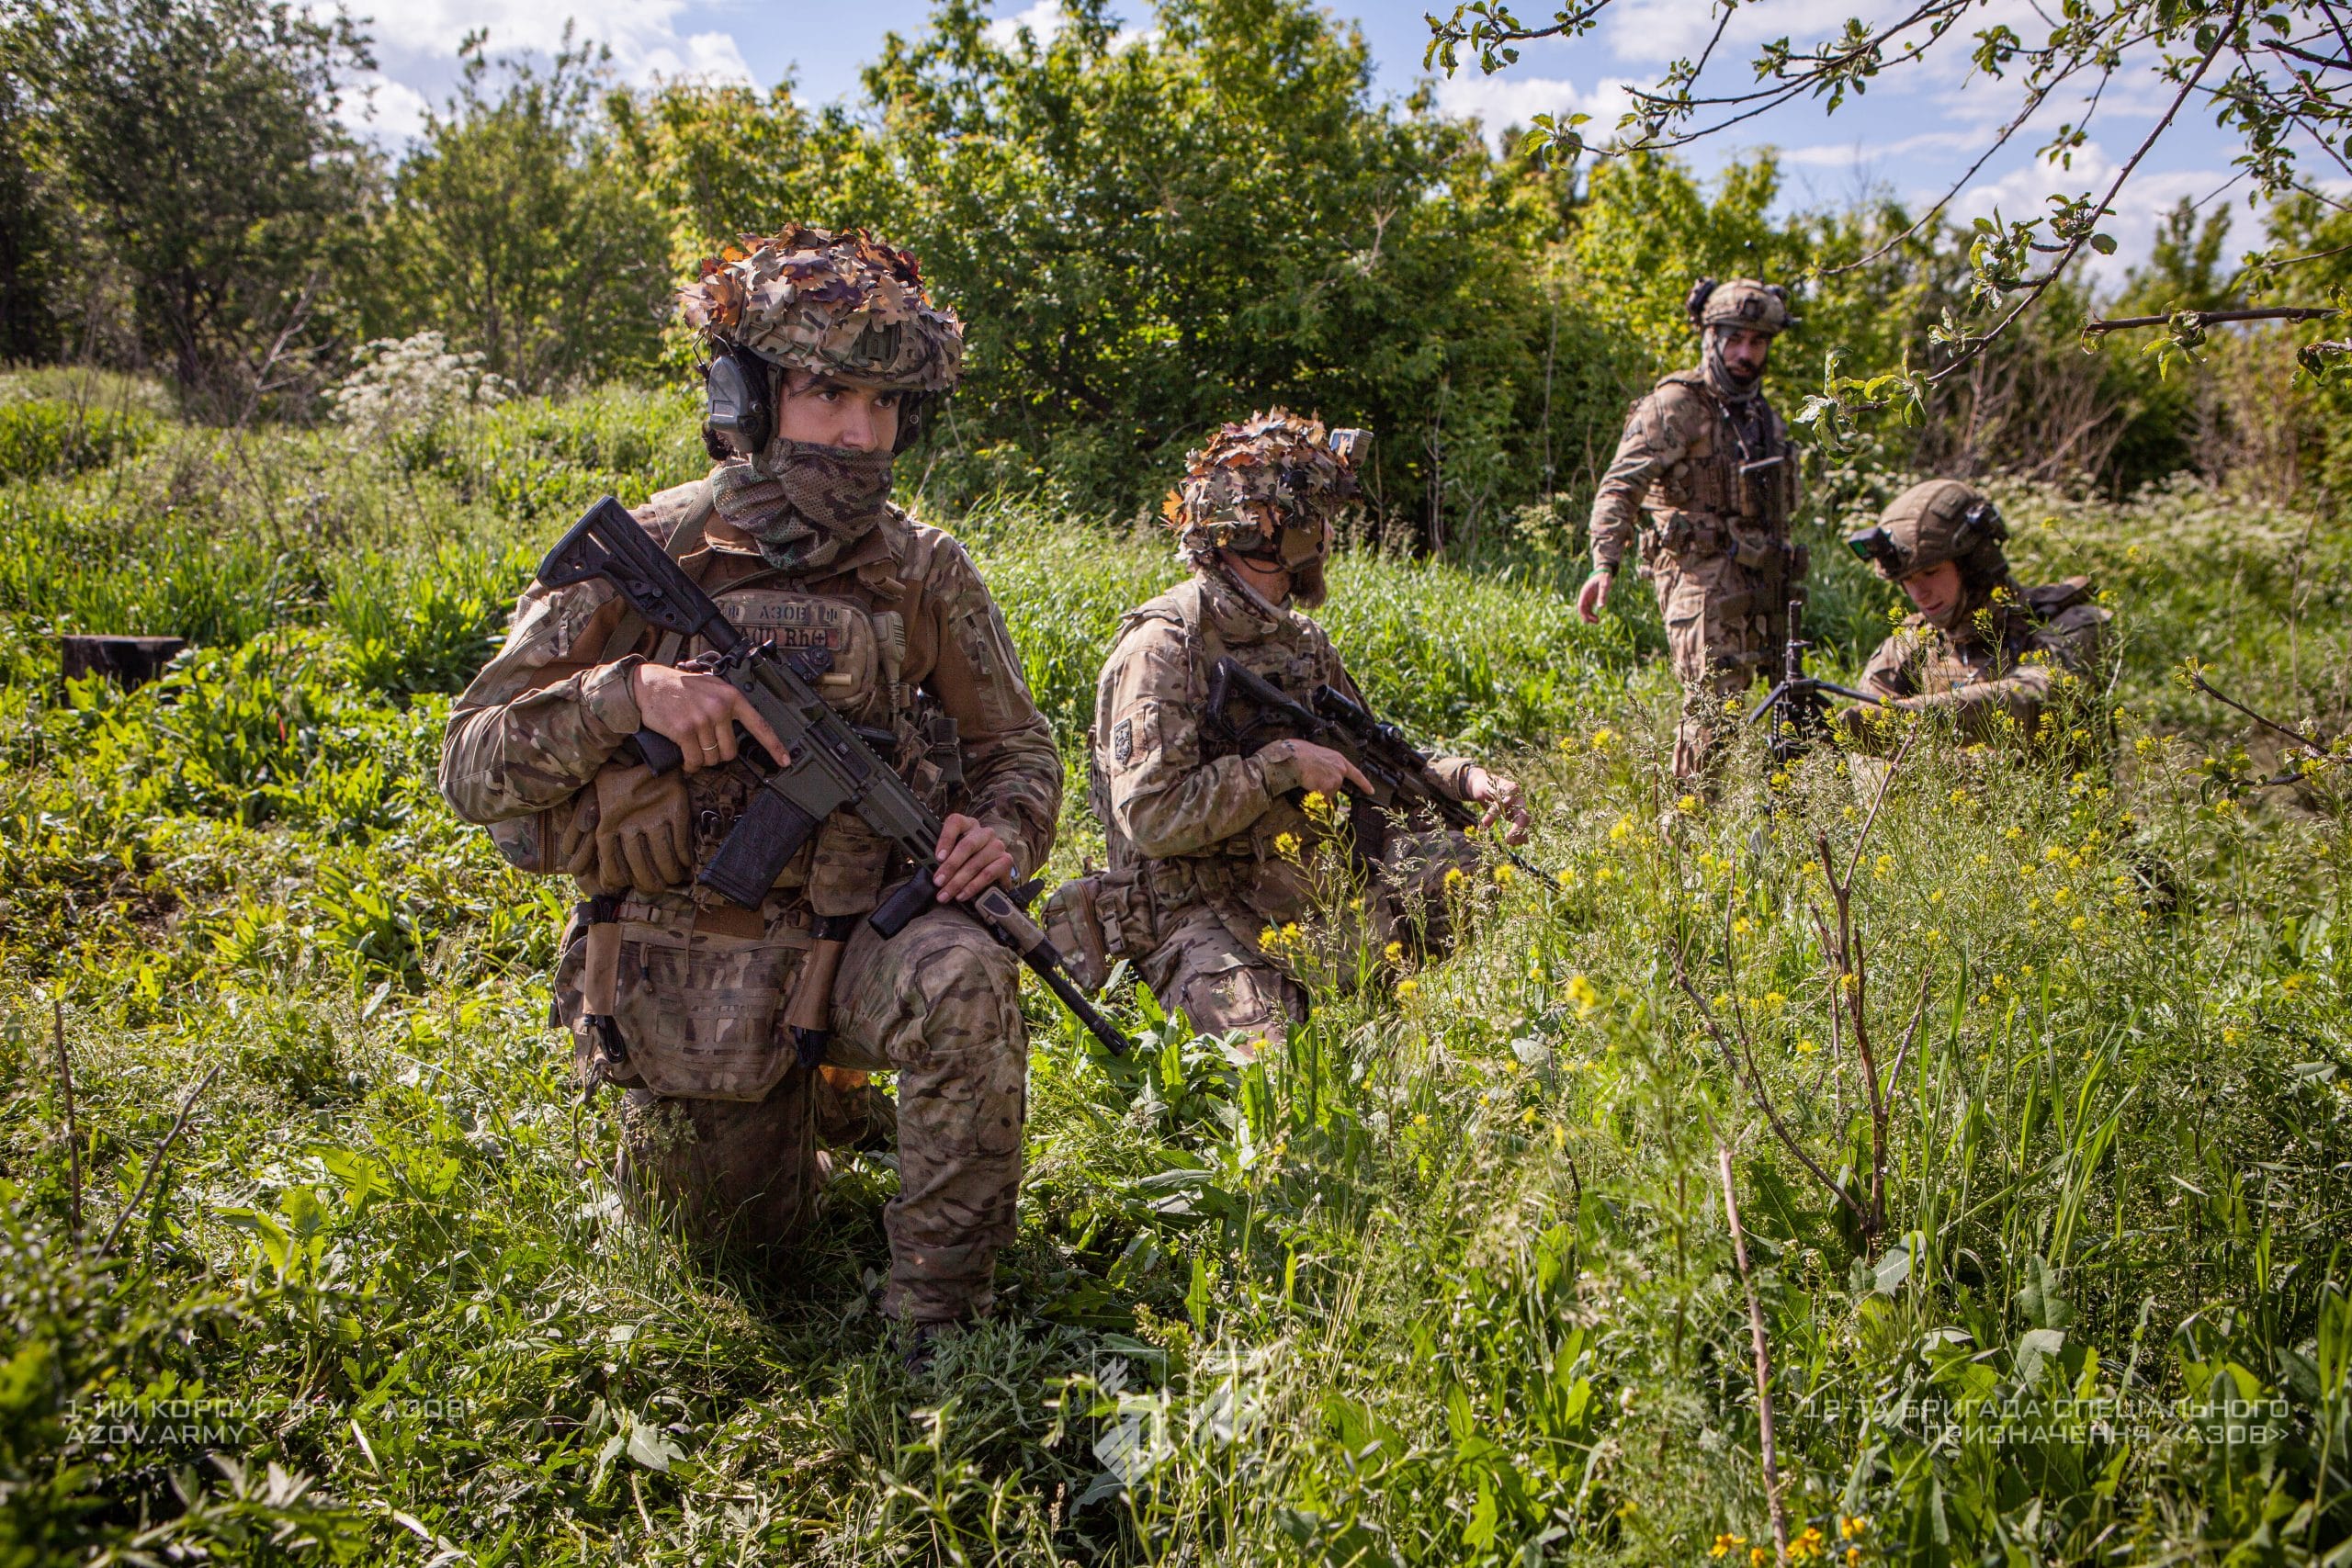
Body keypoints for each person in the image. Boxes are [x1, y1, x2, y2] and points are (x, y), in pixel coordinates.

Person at [438, 226, 1061, 1336]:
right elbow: (470, 765)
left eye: (881, 407)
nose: (858, 434)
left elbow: (1019, 753)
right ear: (754, 393)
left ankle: (936, 1326)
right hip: (684, 966)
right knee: (732, 1259)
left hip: (859, 941)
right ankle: (801, 1119)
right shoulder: (649, 549)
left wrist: (1001, 834)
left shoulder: (923, 570)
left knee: (967, 973)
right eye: (828, 395)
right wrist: (624, 695)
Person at [1055, 411, 1530, 1050]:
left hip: (1297, 884)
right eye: (1311, 519)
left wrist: (1465, 778)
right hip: (1195, 907)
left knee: (1481, 870)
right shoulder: (1165, 646)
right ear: (1253, 532)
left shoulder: (1299, 639)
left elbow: (1372, 749)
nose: (1326, 535)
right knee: (1278, 1070)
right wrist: (1279, 766)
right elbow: (1149, 816)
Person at [1575, 277, 1805, 782]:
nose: (1746, 353)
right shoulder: (1678, 404)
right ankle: (1683, 843)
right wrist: (1604, 562)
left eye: (1758, 342)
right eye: (1735, 339)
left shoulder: (1764, 416)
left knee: (1787, 711)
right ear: (1711, 337)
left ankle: (1780, 839)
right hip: (1698, 581)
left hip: (1763, 579)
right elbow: (1620, 485)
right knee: (1713, 714)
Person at [1842, 478, 2111, 740]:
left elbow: (2032, 699)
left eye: (1931, 572)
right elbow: (1868, 760)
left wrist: (1904, 719)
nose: (1918, 593)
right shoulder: (1908, 648)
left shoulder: (2069, 625)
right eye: (1907, 581)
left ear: (1975, 564)